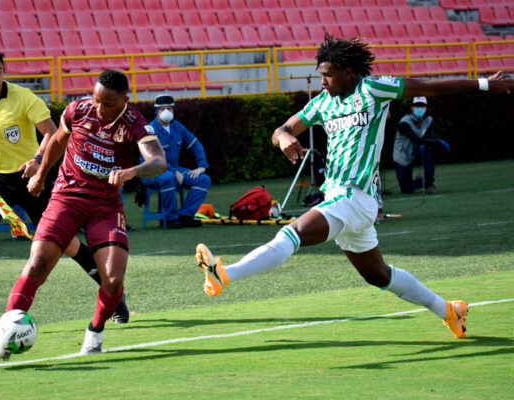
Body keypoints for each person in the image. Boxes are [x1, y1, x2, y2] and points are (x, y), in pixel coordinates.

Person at [196, 34, 514, 340]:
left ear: (348, 73)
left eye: (328, 75)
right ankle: (447, 310)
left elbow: (428, 86)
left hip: (355, 197)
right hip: (342, 200)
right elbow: (281, 129)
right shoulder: (322, 103)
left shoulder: (373, 89)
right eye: (320, 75)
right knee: (379, 275)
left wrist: (485, 84)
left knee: (291, 234)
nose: (322, 81)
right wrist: (284, 137)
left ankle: (225, 274)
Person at [0, 47, 128, 328]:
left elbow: (53, 133)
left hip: (31, 181)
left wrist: (38, 161)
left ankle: (115, 298)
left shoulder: (23, 97)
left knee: (70, 246)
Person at [0, 69, 166, 360]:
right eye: (96, 100)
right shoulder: (78, 110)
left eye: (107, 103)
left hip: (105, 207)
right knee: (37, 264)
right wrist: (41, 175)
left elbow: (158, 161)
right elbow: (57, 140)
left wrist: (131, 171)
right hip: (67, 197)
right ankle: (3, 338)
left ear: (124, 100)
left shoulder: (135, 123)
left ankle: (94, 331)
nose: (99, 108)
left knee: (113, 279)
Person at [140, 94, 210, 229]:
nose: (167, 112)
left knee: (203, 180)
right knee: (169, 177)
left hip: (173, 169)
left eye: (169, 109)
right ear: (156, 111)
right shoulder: (150, 130)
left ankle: (185, 215)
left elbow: (195, 144)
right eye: (162, 109)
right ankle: (171, 219)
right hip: (150, 171)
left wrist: (202, 166)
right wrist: (174, 171)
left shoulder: (177, 127)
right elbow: (154, 158)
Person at [393, 96, 451, 194]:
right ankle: (421, 181)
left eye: (422, 106)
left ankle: (429, 184)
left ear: (426, 108)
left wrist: (431, 144)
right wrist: (438, 142)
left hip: (416, 151)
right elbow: (416, 140)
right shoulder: (404, 122)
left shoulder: (429, 120)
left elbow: (427, 139)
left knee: (427, 150)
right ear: (411, 108)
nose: (420, 108)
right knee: (406, 190)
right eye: (417, 106)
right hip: (402, 156)